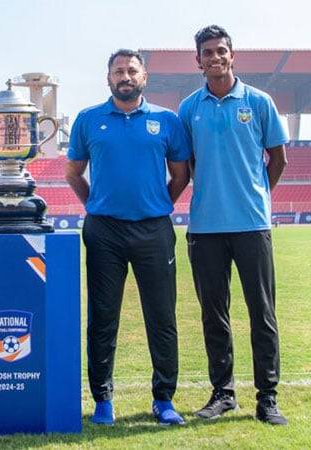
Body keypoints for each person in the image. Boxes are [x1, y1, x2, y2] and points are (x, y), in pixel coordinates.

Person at [66, 49, 190, 426]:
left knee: (162, 316)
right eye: (118, 71)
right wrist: (96, 206)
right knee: (102, 318)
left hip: (153, 229)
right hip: (104, 231)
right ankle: (103, 400)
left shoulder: (166, 121)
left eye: (131, 70)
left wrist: (156, 205)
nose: (125, 76)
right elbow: (74, 172)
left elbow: (180, 175)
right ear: (108, 78)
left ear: (144, 77)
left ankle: (164, 398)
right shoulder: (88, 119)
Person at [178, 25, 289, 425]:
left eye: (221, 50)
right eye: (207, 52)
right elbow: (186, 165)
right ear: (198, 60)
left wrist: (257, 196)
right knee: (214, 315)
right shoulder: (188, 108)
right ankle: (223, 394)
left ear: (232, 55)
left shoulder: (259, 102)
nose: (215, 57)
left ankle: (267, 398)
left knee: (262, 312)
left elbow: (277, 160)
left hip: (251, 226)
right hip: (205, 228)